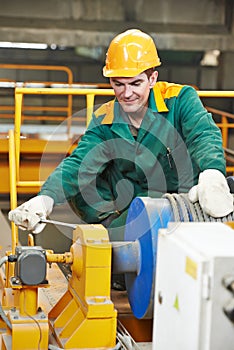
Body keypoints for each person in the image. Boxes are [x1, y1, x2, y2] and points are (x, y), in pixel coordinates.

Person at [8, 28, 233, 242]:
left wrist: (213, 172)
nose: (126, 94)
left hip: (182, 200)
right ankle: (114, 237)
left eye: (135, 83)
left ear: (152, 79)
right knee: (84, 185)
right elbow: (79, 164)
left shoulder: (181, 99)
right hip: (132, 206)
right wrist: (45, 198)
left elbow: (203, 134)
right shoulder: (104, 119)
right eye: (118, 84)